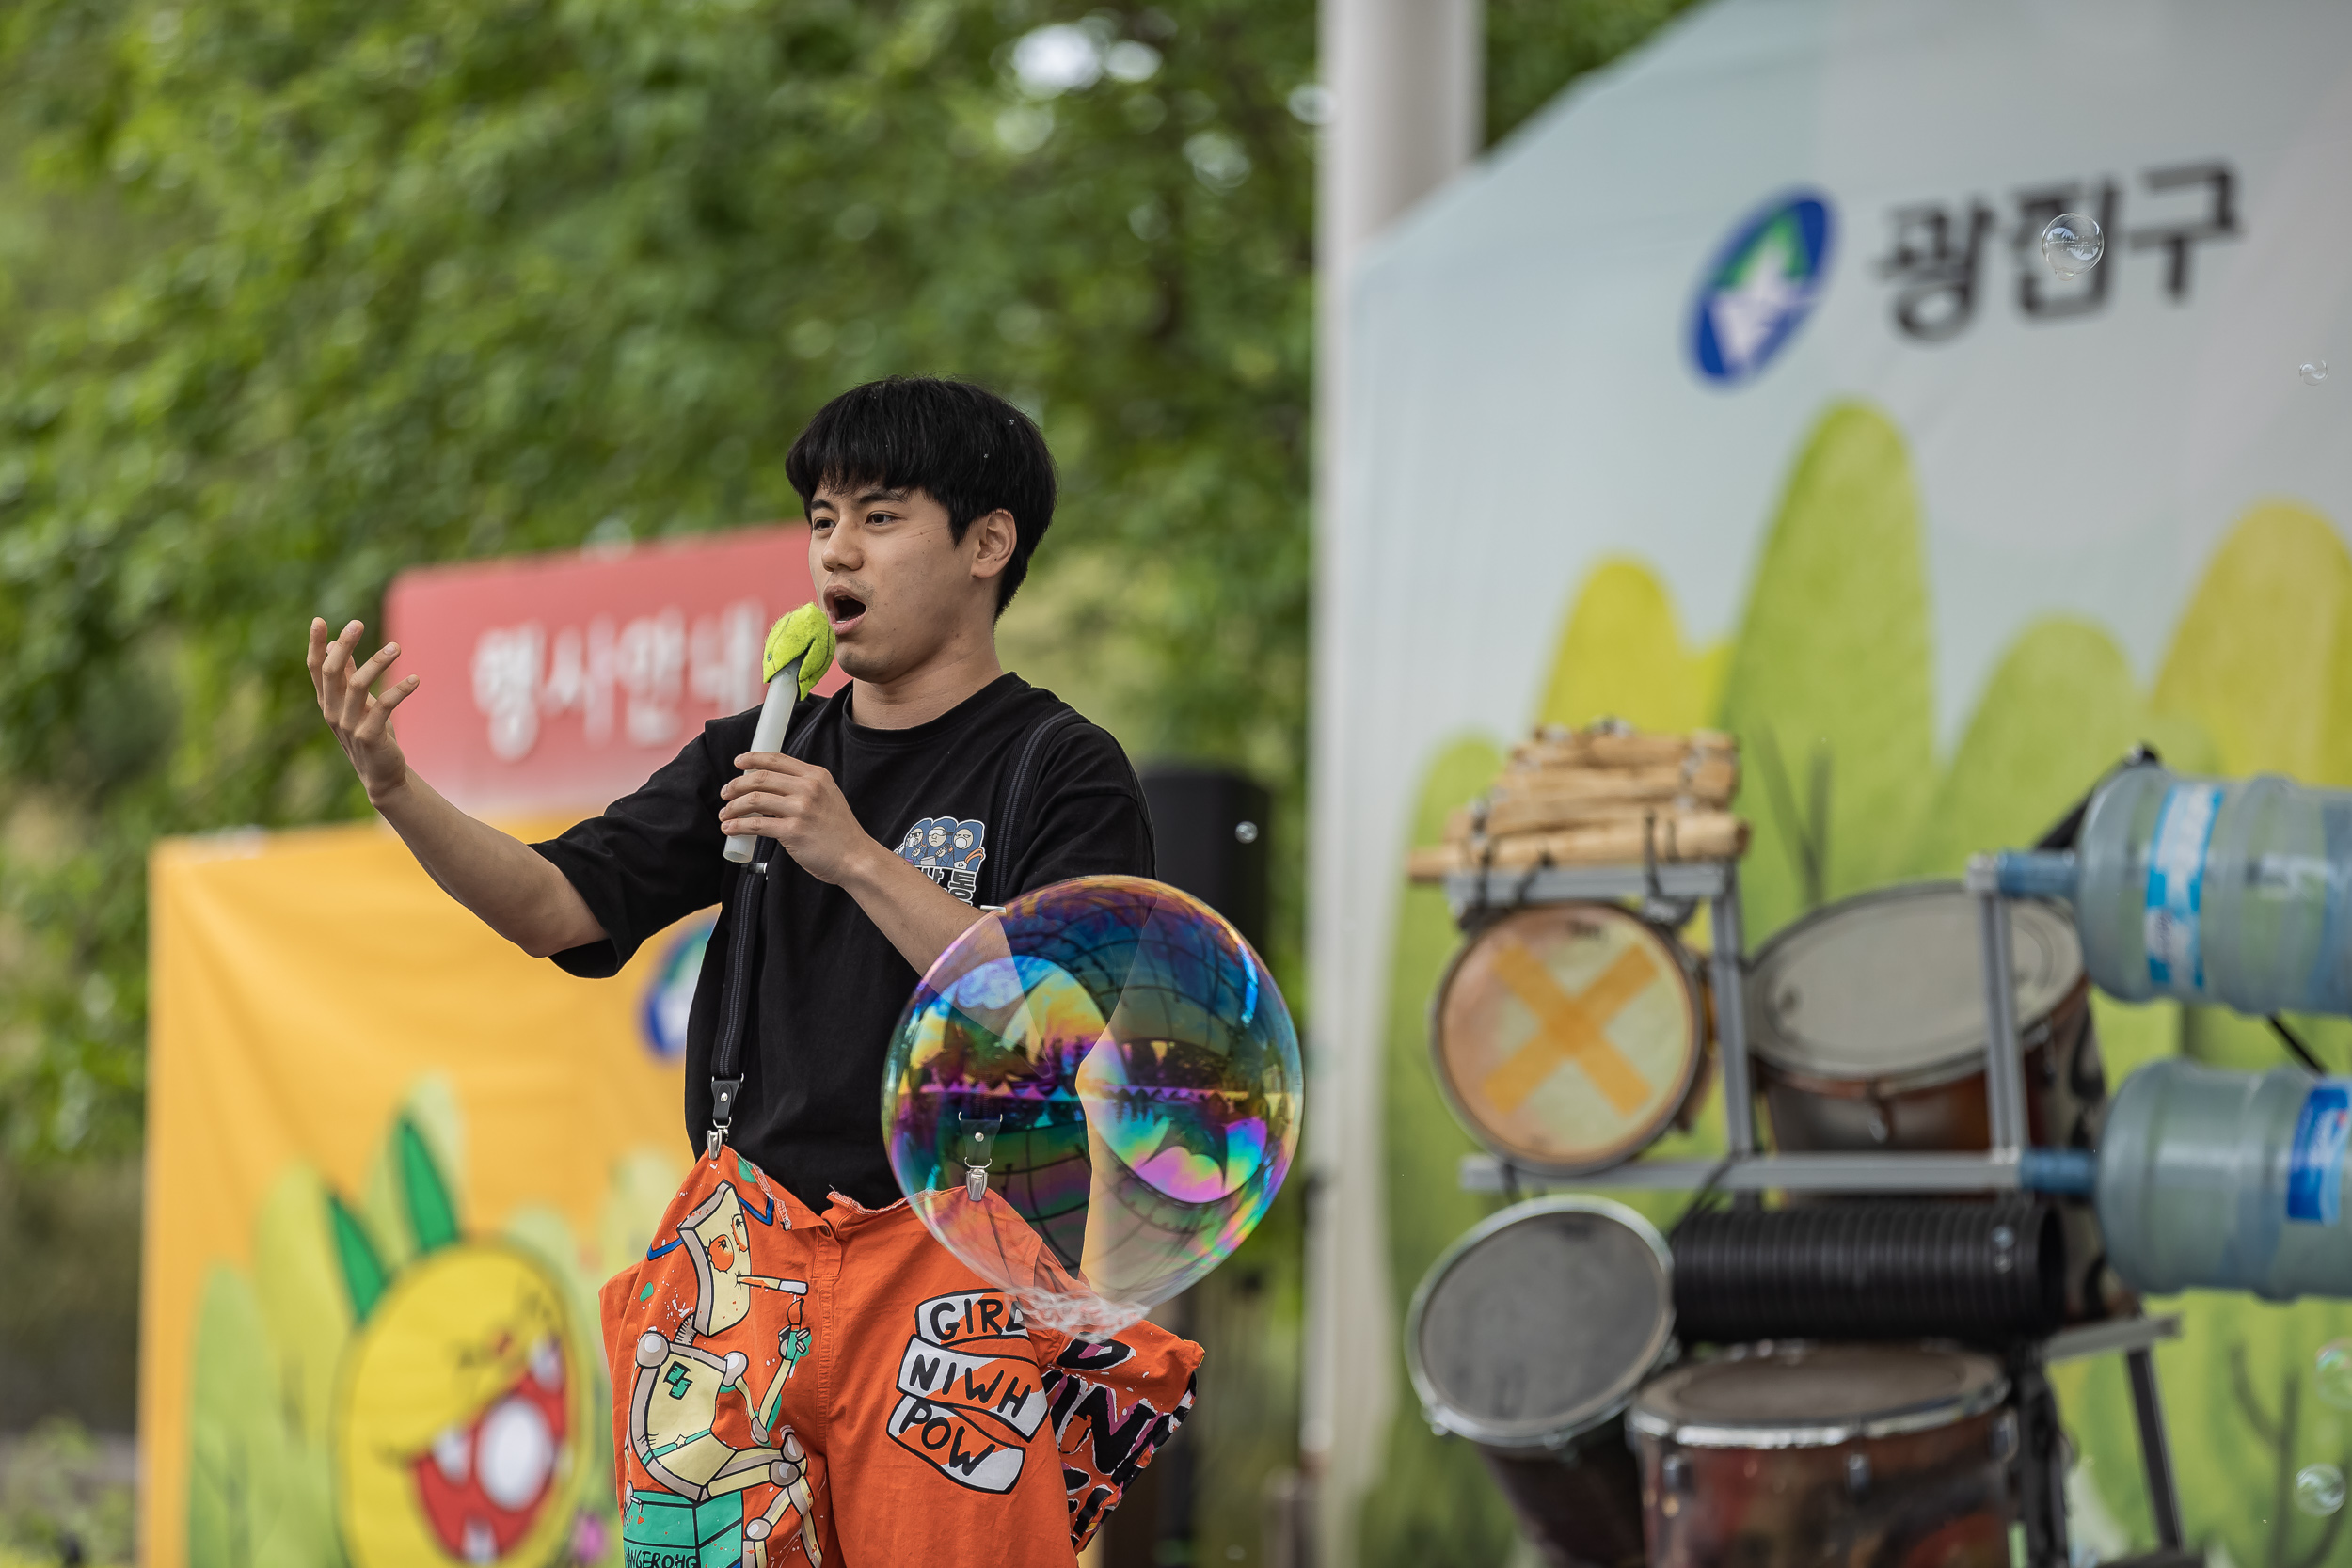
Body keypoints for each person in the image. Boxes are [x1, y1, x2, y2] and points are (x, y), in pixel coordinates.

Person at [307, 376, 1196, 1565]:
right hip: (740, 1257)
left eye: (880, 516)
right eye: (821, 519)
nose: (837, 548)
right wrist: (394, 788)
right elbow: (553, 905)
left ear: (989, 544)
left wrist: (854, 855)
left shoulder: (1062, 767)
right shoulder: (758, 745)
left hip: (953, 1261)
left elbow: (1051, 1013)